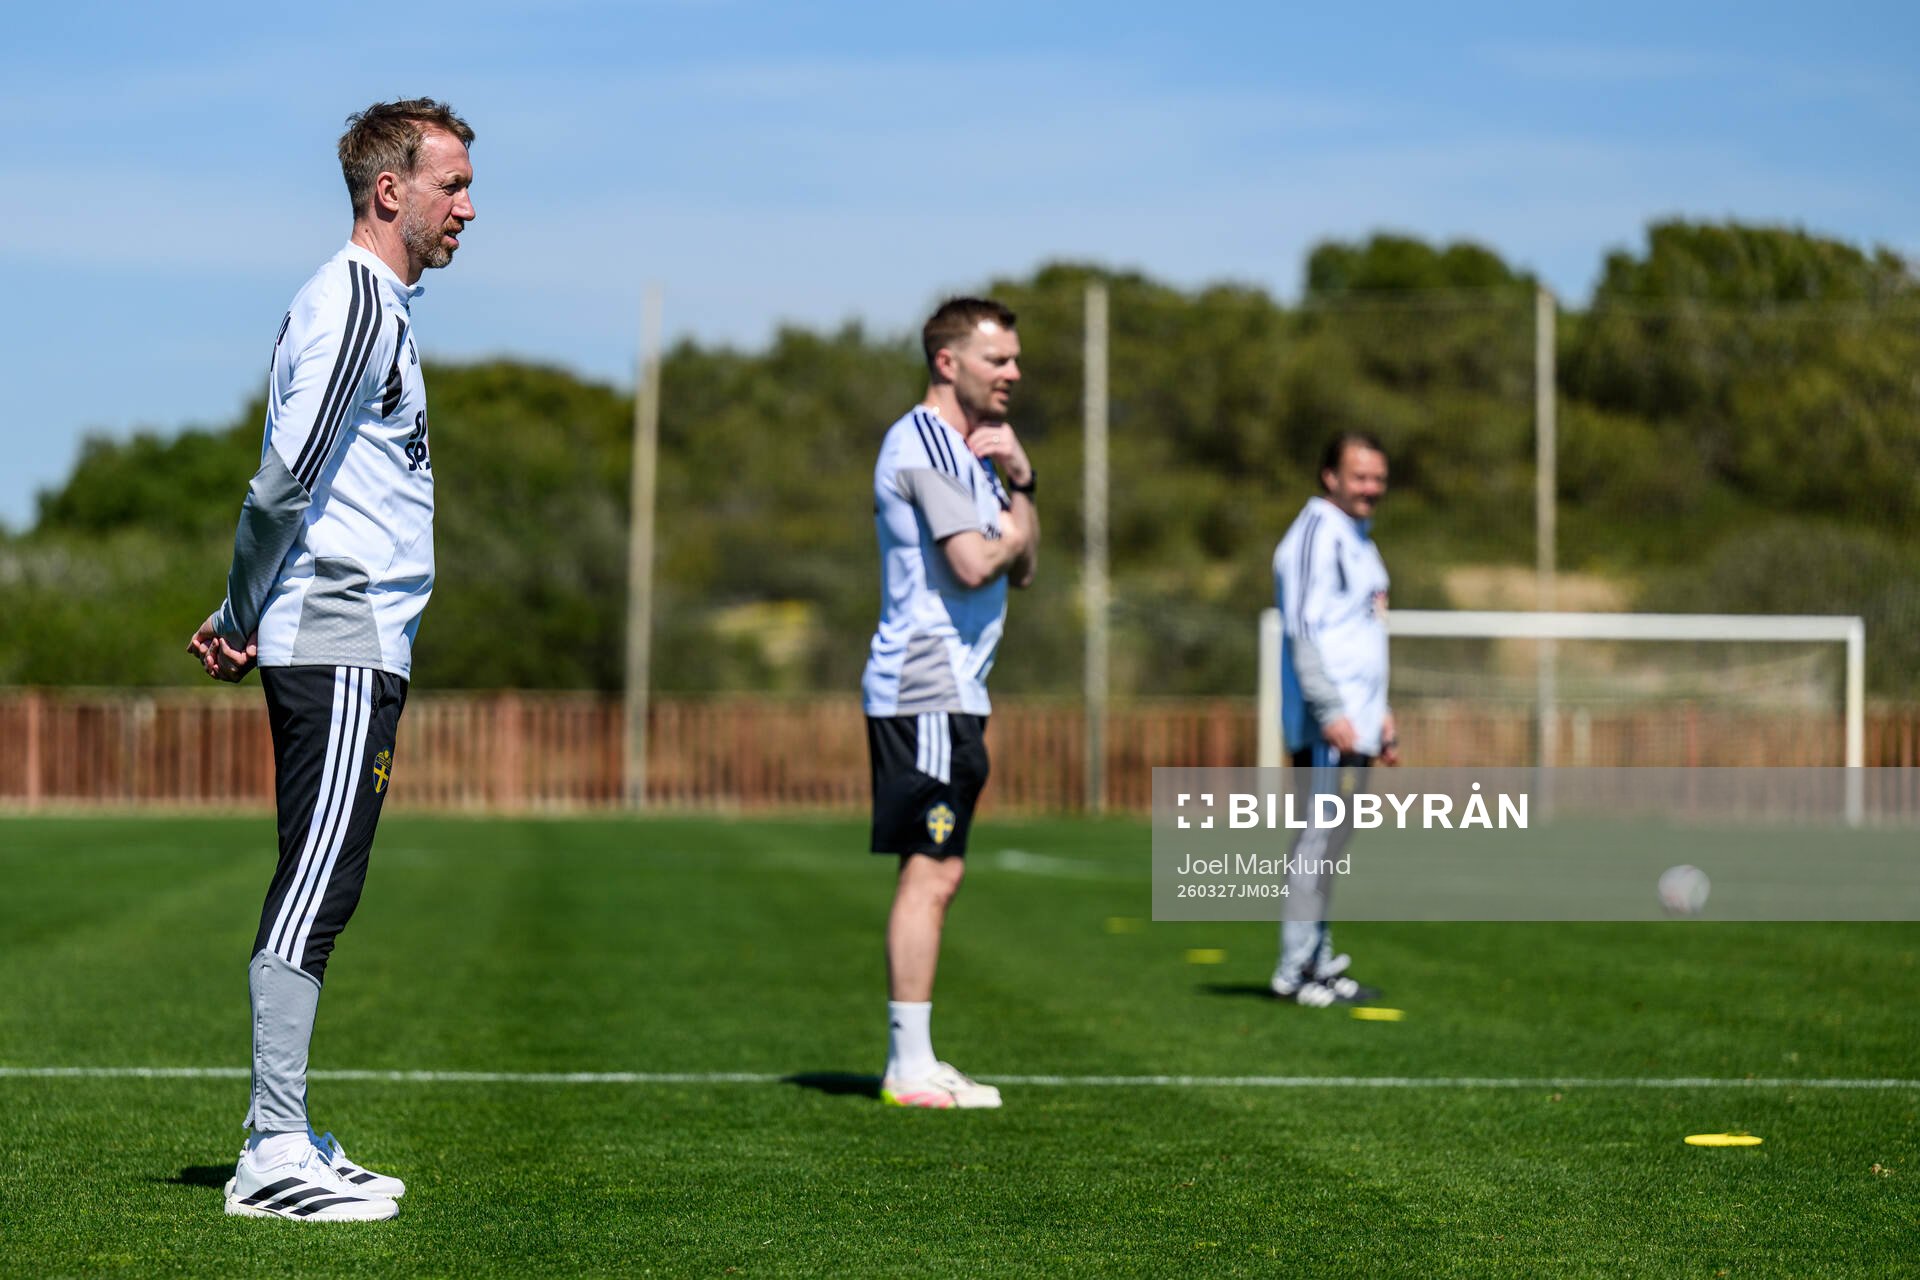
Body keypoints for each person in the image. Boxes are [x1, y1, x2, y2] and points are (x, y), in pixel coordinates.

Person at [187, 99, 475, 1220]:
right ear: (389, 191)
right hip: (340, 630)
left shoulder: (378, 306)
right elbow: (285, 479)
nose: (467, 208)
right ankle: (271, 1150)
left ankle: (289, 1130)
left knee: (323, 880)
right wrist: (240, 606)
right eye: (452, 185)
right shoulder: (354, 299)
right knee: (317, 885)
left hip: (356, 638)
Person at [861, 297, 1038, 1108]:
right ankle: (909, 1066)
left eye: (1014, 359)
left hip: (953, 689)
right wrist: (1012, 529)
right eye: (997, 359)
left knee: (942, 868)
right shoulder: (926, 441)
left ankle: (916, 1060)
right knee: (930, 871)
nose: (1013, 373)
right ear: (947, 362)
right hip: (926, 684)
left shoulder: (979, 455)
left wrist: (1023, 483)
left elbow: (1022, 565)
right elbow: (974, 561)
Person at [1269, 431, 1398, 1007]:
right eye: (1359, 476)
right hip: (1328, 724)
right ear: (1330, 477)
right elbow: (1303, 629)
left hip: (1358, 723)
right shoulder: (1313, 535)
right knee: (1316, 839)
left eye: (1378, 478)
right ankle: (1295, 971)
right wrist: (1329, 709)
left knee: (1333, 842)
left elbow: (1361, 634)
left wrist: (1381, 715)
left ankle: (1317, 960)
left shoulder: (1360, 540)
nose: (1371, 488)